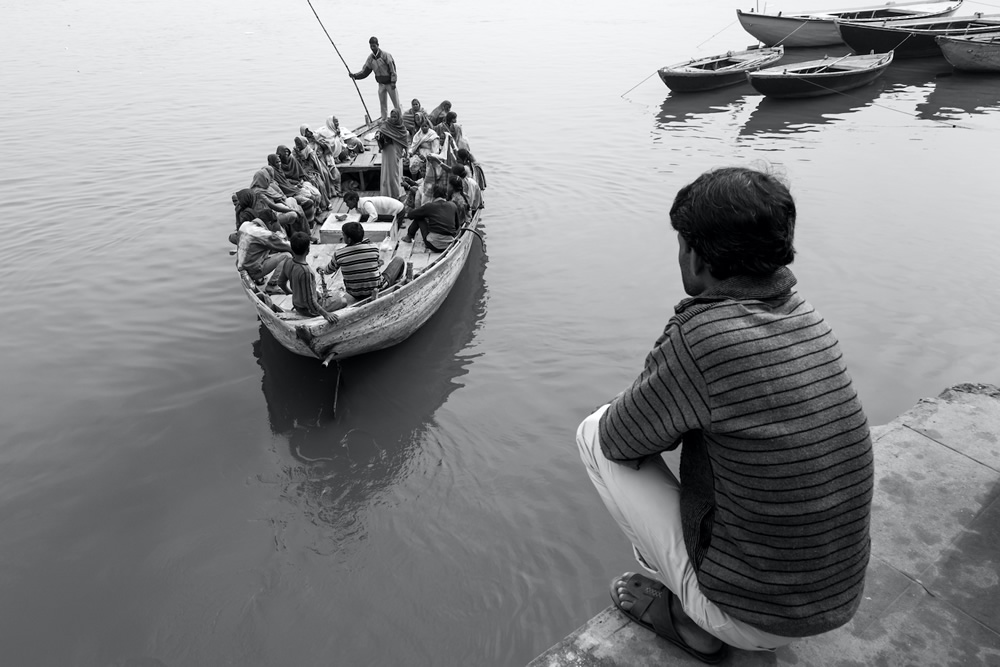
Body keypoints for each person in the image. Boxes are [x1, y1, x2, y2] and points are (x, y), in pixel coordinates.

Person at [576, 166, 873, 663]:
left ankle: (701, 623)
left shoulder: (704, 336)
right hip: (836, 598)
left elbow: (619, 440)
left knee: (592, 432)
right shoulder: (805, 314)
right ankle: (725, 605)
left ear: (694, 254)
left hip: (754, 615)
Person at [318, 221, 405, 301]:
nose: (342, 236)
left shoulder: (339, 254)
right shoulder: (373, 248)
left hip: (354, 293)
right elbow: (376, 262)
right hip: (377, 288)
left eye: (343, 235)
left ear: (349, 239)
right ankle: (395, 283)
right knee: (399, 260)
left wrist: (321, 268)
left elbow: (327, 271)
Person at [275, 232, 341, 323]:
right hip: (308, 310)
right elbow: (310, 301)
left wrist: (291, 293)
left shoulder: (288, 261)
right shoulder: (305, 271)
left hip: (297, 305)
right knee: (343, 300)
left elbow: (280, 283)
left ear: (292, 248)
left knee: (321, 293)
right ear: (308, 250)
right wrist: (326, 314)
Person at [233, 209, 291, 295]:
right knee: (287, 256)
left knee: (258, 249)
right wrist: (279, 230)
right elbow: (287, 245)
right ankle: (272, 285)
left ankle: (259, 279)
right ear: (270, 223)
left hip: (241, 267)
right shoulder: (264, 233)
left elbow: (232, 237)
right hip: (252, 272)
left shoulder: (244, 225)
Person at [350, 36, 401, 121]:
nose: (372, 48)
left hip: (389, 83)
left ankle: (399, 119)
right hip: (381, 84)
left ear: (378, 45)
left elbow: (393, 69)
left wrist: (393, 82)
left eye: (374, 46)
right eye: (371, 46)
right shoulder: (370, 59)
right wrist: (355, 76)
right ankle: (384, 119)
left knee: (396, 102)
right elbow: (365, 71)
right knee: (382, 103)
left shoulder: (386, 56)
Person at [402, 184, 460, 252]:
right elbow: (457, 226)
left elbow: (410, 215)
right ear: (446, 195)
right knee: (422, 215)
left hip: (433, 245)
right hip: (450, 244)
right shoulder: (453, 205)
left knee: (419, 217)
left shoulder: (429, 206)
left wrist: (422, 211)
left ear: (433, 195)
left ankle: (409, 236)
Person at [376, 109, 409, 198]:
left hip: (396, 153)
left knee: (395, 173)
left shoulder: (401, 128)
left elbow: (405, 140)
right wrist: (379, 134)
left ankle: (395, 193)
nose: (393, 119)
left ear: (399, 117)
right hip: (387, 151)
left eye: (395, 117)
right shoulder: (387, 124)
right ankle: (386, 192)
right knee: (386, 170)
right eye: (392, 116)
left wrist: (407, 152)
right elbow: (380, 131)